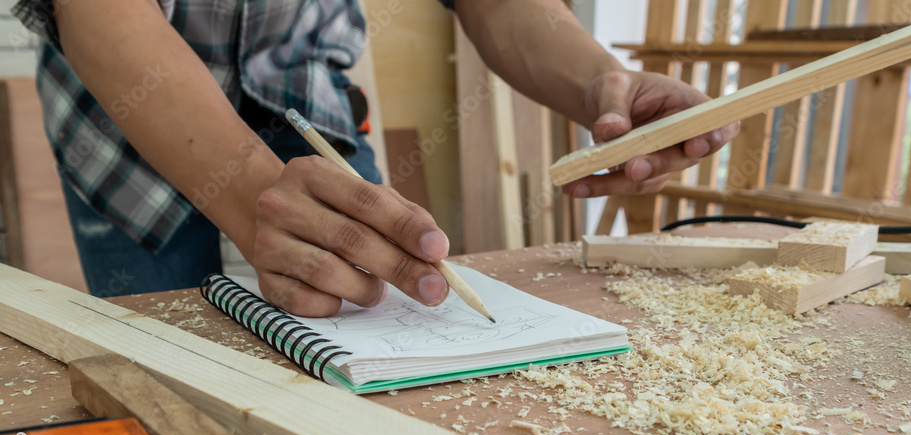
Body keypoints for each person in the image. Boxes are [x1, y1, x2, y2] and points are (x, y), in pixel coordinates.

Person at [14, 0, 738, 316]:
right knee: (172, 382)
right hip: (129, 127)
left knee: (374, 339)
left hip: (304, 94)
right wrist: (247, 192)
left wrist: (599, 82)